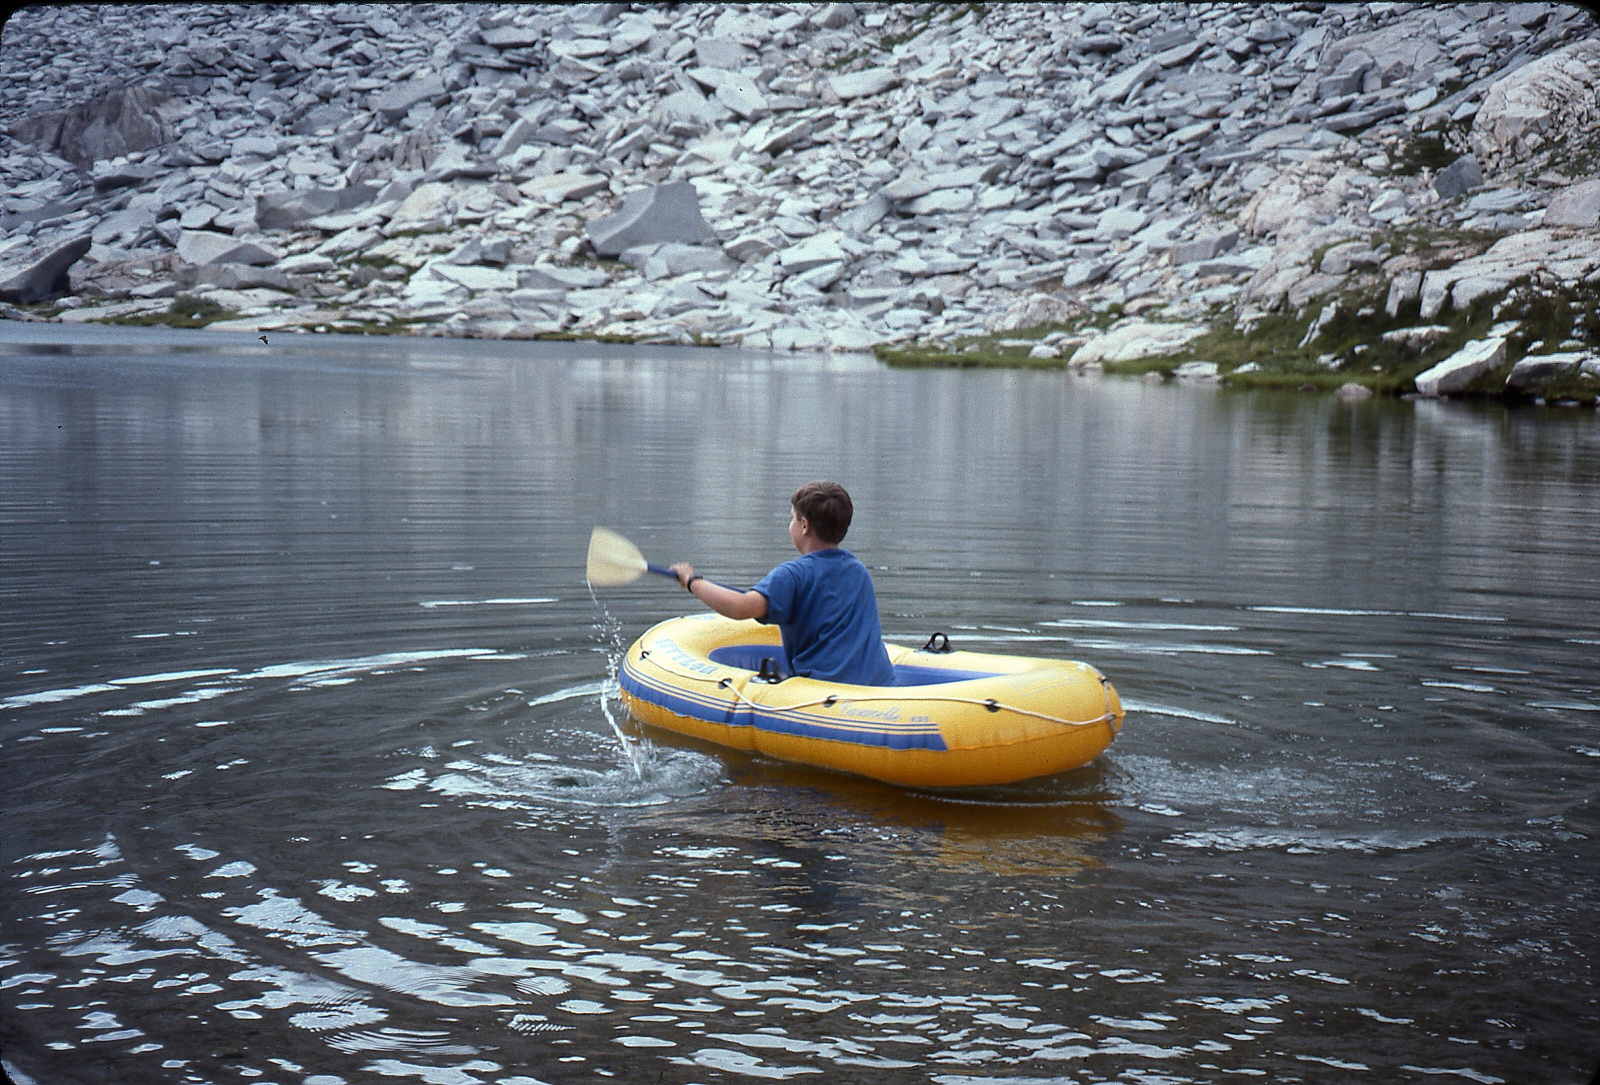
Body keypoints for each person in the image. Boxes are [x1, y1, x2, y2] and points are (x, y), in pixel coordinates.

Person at [668, 481, 897, 687]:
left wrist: (691, 581)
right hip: (880, 687)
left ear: (804, 525)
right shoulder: (858, 571)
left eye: (792, 518)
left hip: (827, 693)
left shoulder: (792, 575)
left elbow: (740, 606)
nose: (791, 526)